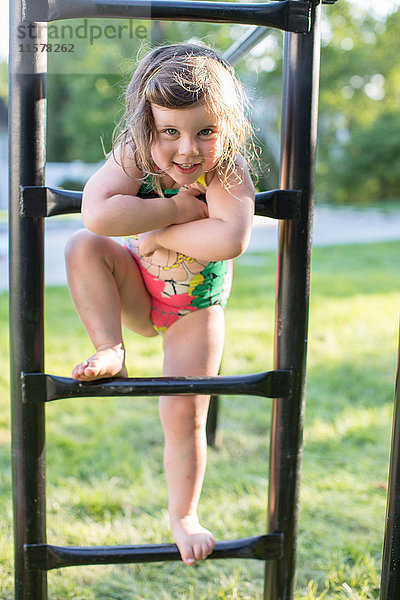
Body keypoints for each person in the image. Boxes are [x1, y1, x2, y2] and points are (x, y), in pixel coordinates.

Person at [65, 42, 256, 566]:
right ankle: (109, 347)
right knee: (82, 247)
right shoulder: (134, 151)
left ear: (228, 126)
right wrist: (171, 212)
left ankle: (184, 515)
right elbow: (98, 215)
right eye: (170, 132)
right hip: (135, 288)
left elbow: (229, 240)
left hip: (195, 309)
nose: (187, 150)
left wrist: (155, 235)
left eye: (205, 132)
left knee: (183, 414)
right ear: (148, 127)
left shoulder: (227, 170)